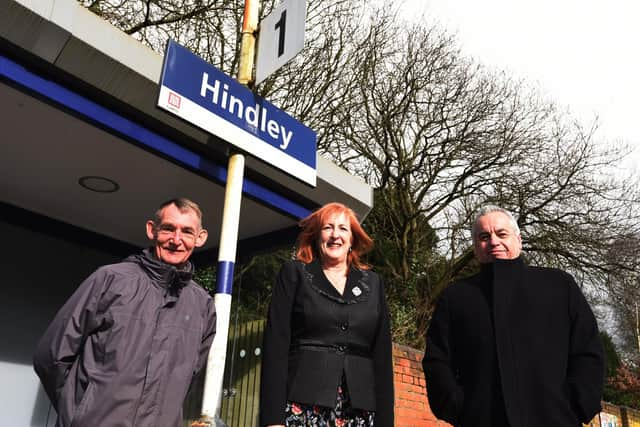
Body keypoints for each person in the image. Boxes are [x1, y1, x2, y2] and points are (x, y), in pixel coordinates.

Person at [33, 198, 216, 427]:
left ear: (200, 238)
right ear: (152, 230)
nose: (176, 240)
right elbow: (50, 356)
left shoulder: (202, 306)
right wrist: (79, 412)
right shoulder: (109, 280)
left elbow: (188, 379)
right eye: (169, 228)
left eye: (187, 232)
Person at [422, 205, 604, 427]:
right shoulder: (456, 296)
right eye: (484, 236)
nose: (493, 242)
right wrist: (459, 408)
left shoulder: (559, 285)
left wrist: (576, 405)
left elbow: (587, 350)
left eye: (501, 234)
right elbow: (437, 360)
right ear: (476, 247)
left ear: (519, 239)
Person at [260, 202, 394, 427]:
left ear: (352, 239)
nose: (335, 235)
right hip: (302, 406)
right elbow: (276, 345)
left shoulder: (373, 283)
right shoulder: (294, 274)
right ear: (316, 235)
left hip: (359, 412)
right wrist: (272, 419)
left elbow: (381, 356)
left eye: (343, 229)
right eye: (327, 228)